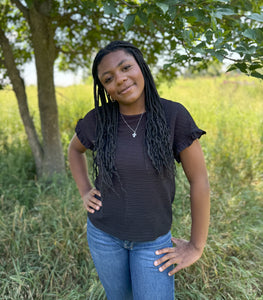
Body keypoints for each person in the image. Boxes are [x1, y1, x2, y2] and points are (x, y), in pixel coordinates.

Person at [68, 41, 210, 300]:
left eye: (126, 68)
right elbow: (74, 150)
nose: (120, 79)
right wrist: (85, 190)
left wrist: (196, 245)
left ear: (141, 68)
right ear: (106, 89)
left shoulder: (173, 115)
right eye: (108, 78)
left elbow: (199, 180)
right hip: (104, 237)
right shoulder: (99, 119)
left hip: (153, 243)